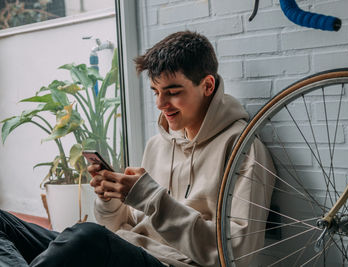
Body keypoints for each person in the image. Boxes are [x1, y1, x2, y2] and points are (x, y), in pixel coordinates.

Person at [0, 31, 275, 267]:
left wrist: (150, 197)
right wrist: (110, 199)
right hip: (129, 249)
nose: (160, 103)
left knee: (85, 237)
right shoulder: (158, 145)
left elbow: (239, 253)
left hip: (170, 263)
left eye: (173, 91)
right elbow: (120, 226)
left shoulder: (243, 150)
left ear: (207, 85)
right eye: (156, 91)